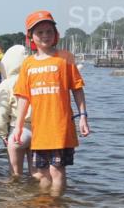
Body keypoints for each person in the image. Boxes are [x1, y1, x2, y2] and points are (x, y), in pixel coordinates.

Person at [12, 11, 90, 196]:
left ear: (56, 34)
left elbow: (77, 89)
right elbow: (23, 97)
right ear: (31, 36)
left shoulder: (65, 58)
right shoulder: (28, 64)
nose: (45, 36)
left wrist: (83, 117)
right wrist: (18, 126)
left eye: (49, 31)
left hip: (60, 126)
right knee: (41, 174)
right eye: (40, 32)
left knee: (57, 170)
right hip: (40, 129)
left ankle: (56, 206)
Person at [0, 45, 34, 178]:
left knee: (15, 175)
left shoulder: (6, 84)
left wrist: (3, 134)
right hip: (38, 130)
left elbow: (0, 113)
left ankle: (15, 197)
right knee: (36, 175)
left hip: (18, 132)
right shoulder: (35, 78)